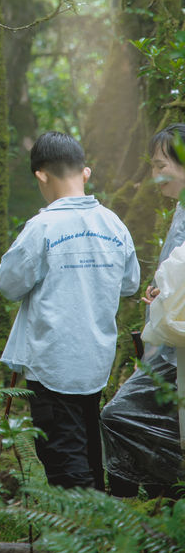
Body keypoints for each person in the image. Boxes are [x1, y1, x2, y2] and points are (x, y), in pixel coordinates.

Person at [0, 131, 140, 489]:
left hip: (53, 362)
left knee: (63, 456)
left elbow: (8, 284)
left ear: (41, 175)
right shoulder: (114, 225)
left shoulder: (42, 227)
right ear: (85, 173)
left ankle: (83, 518)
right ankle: (99, 515)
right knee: (89, 446)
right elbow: (130, 284)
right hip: (96, 360)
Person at [101, 122, 185, 497]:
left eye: (160, 165)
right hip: (167, 347)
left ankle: (142, 506)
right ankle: (162, 500)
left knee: (118, 416)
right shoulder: (180, 209)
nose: (155, 175)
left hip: (175, 349)